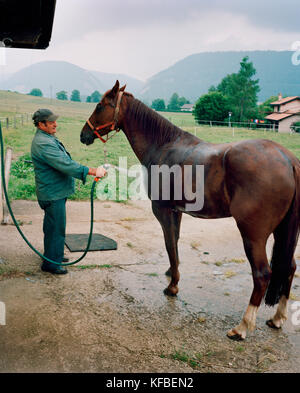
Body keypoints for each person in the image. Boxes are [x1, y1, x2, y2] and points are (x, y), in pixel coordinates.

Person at [31, 109, 106, 275]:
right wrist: (93, 171)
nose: (55, 124)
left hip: (54, 191)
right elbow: (65, 164)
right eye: (51, 122)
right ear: (41, 124)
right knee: (57, 228)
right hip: (52, 193)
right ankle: (51, 264)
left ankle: (52, 255)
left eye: (54, 121)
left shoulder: (46, 138)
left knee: (52, 226)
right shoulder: (43, 143)